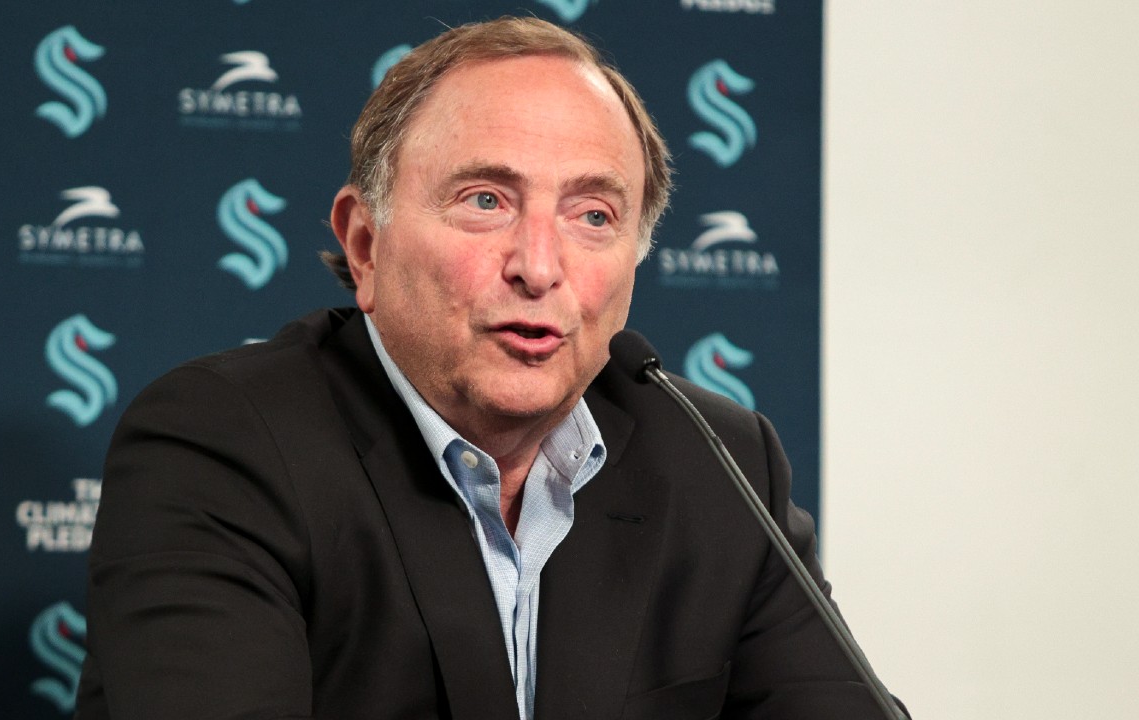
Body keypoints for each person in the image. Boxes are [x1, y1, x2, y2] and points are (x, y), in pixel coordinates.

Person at [74, 16, 900, 720]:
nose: (539, 267)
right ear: (365, 246)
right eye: (485, 201)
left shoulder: (719, 461)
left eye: (593, 214)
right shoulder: (222, 442)